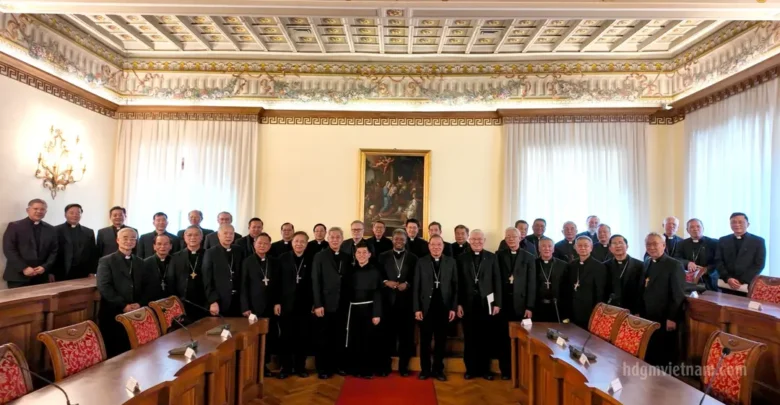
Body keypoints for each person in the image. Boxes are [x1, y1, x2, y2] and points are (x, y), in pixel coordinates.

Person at [96, 228, 160, 357]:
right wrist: (123, 305)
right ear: (118, 240)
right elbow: (104, 286)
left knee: (133, 350)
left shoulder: (140, 262)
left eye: (133, 238)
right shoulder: (106, 261)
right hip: (113, 312)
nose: (129, 241)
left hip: (136, 312)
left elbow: (148, 286)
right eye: (125, 238)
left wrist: (140, 303)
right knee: (114, 351)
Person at [457, 229, 501, 380]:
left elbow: (497, 281)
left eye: (479, 239)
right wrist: (458, 304)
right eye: (474, 239)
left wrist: (497, 303)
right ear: (469, 240)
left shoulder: (492, 257)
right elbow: (458, 283)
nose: (477, 242)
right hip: (468, 303)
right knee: (469, 337)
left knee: (486, 337)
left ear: (484, 240)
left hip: (487, 302)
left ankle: (485, 370)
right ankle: (470, 369)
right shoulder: (461, 258)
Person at [414, 235, 457, 381]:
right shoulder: (421, 262)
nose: (436, 247)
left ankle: (438, 370)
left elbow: (455, 287)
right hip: (426, 308)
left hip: (444, 307)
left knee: (441, 341)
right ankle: (425, 370)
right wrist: (417, 308)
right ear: (429, 246)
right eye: (433, 244)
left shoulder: (451, 262)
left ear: (443, 246)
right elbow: (416, 287)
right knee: (425, 341)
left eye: (439, 244)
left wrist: (453, 308)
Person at [639, 232, 685, 367]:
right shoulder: (647, 262)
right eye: (648, 244)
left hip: (664, 316)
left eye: (655, 244)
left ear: (664, 245)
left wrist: (672, 318)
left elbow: (678, 294)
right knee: (651, 348)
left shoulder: (674, 265)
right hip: (648, 314)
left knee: (665, 351)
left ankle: (665, 377)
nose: (651, 247)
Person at [496, 227, 535, 380]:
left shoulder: (529, 257)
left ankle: (521, 371)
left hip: (521, 305)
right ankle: (505, 371)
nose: (511, 239)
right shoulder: (499, 255)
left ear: (520, 238)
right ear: (505, 239)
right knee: (503, 338)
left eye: (514, 236)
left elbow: (531, 283)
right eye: (508, 237)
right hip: (503, 303)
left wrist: (529, 306)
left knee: (521, 339)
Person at [312, 227, 351, 379]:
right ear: (328, 239)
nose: (335, 240)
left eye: (338, 237)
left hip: (342, 303)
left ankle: (338, 366)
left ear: (342, 239)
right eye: (332, 237)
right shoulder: (320, 256)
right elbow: (316, 281)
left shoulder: (347, 257)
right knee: (323, 337)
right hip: (325, 304)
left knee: (339, 336)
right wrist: (318, 304)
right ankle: (323, 368)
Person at [378, 229, 418, 377]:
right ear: (392, 240)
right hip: (387, 303)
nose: (399, 241)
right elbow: (378, 275)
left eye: (402, 239)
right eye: (396, 239)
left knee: (406, 337)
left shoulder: (413, 258)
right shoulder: (383, 256)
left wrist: (407, 284)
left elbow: (416, 277)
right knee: (386, 336)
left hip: (406, 304)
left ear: (406, 240)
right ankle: (385, 366)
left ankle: (403, 367)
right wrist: (385, 282)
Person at [241, 233, 279, 377]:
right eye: (259, 243)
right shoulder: (248, 261)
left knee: (269, 337)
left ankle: (265, 366)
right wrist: (245, 307)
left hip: (270, 305)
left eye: (265, 243)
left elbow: (278, 284)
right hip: (253, 307)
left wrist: (277, 302)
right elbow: (243, 286)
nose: (262, 246)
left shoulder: (274, 261)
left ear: (270, 245)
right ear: (254, 245)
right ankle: (254, 367)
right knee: (254, 338)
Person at [278, 231, 314, 378]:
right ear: (292, 242)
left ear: (306, 244)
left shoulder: (312, 258)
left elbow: (315, 282)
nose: (299, 244)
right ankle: (285, 368)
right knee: (286, 337)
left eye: (302, 241)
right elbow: (277, 282)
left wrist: (314, 303)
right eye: (296, 241)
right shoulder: (283, 258)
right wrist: (277, 302)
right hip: (286, 304)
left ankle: (300, 367)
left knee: (303, 337)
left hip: (305, 304)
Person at [344, 242, 383, 379]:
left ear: (369, 254)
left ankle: (367, 370)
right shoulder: (350, 271)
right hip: (353, 309)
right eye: (358, 252)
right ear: (355, 254)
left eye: (364, 252)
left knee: (367, 340)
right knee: (354, 339)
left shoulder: (375, 271)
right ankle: (354, 368)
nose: (361, 255)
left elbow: (378, 293)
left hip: (369, 309)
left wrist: (376, 313)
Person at [2, 199, 58, 288]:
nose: (39, 211)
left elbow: (54, 251)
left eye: (42, 209)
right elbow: (9, 249)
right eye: (35, 208)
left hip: (41, 276)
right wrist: (23, 268)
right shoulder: (15, 226)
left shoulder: (51, 229)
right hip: (18, 276)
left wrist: (45, 267)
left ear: (46, 212)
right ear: (28, 210)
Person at [560, 236, 607, 328]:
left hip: (589, 309)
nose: (583, 248)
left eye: (586, 245)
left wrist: (597, 311)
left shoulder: (599, 266)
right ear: (575, 248)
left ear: (591, 248)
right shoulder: (571, 265)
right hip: (572, 309)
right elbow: (566, 288)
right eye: (580, 245)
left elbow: (600, 292)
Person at [203, 224, 247, 317]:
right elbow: (207, 280)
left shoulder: (239, 250)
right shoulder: (211, 252)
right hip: (220, 301)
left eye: (231, 233)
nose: (228, 236)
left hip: (238, 301)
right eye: (225, 233)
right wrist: (213, 301)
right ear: (219, 235)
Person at [716, 212, 766, 292]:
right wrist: (728, 278)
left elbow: (759, 264)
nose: (737, 224)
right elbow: (718, 261)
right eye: (733, 222)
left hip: (747, 284)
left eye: (740, 222)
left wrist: (742, 280)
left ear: (748, 224)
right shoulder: (723, 240)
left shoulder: (758, 241)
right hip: (726, 283)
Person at [168, 225, 208, 322]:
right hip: (184, 302)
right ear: (184, 237)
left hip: (204, 302)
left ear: (201, 237)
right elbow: (171, 280)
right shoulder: (176, 257)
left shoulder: (208, 254)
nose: (193, 237)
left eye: (196, 235)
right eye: (189, 235)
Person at [54, 203, 97, 280]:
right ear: (65, 214)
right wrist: (51, 272)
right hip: (60, 271)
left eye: (78, 213)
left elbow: (93, 253)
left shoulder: (89, 232)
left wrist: (92, 271)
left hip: (83, 272)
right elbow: (51, 252)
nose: (75, 215)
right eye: (71, 213)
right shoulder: (55, 230)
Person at [674, 219, 718, 290]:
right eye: (692, 227)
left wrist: (706, 269)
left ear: (703, 228)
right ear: (687, 230)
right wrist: (688, 263)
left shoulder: (713, 243)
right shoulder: (682, 244)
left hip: (708, 280)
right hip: (688, 280)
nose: (695, 229)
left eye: (698, 226)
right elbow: (677, 259)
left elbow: (718, 262)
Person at [604, 235, 644, 313]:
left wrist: (638, 311)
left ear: (627, 246)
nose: (618, 246)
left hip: (632, 309)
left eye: (620, 243)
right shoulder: (605, 266)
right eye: (614, 243)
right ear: (610, 248)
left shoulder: (639, 265)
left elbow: (641, 291)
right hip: (611, 309)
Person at [533, 237, 567, 322]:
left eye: (549, 246)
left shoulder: (563, 265)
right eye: (543, 246)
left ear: (553, 249)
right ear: (539, 249)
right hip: (537, 306)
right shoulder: (533, 264)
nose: (547, 248)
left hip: (556, 306)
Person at [143, 233, 173, 298]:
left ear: (170, 246)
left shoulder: (175, 262)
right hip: (152, 299)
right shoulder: (145, 263)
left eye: (166, 244)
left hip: (171, 298)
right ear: (154, 246)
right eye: (159, 244)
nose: (162, 246)